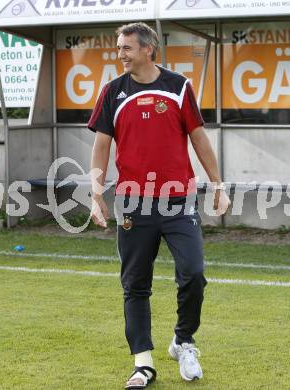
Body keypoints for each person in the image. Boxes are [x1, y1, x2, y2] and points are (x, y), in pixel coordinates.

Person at [88, 22, 230, 389]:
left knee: (194, 272)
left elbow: (198, 138)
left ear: (148, 49)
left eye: (126, 48)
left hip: (179, 200)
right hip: (134, 202)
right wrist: (95, 193)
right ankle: (143, 363)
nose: (120, 54)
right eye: (119, 48)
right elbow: (101, 146)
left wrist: (218, 184)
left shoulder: (179, 87)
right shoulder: (112, 92)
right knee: (135, 285)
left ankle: (183, 341)